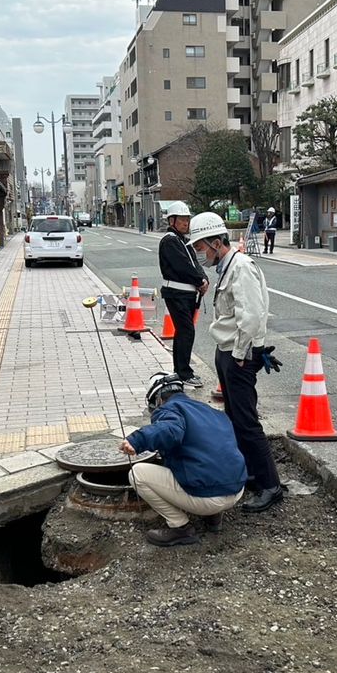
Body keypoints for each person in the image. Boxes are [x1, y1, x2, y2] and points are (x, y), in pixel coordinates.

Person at [186, 211, 284, 513]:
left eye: (202, 247)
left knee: (246, 421)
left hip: (237, 355)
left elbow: (252, 316)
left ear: (217, 242)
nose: (201, 253)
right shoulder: (226, 268)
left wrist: (242, 355)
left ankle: (270, 485)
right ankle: (252, 474)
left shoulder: (241, 267)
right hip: (227, 350)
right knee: (235, 418)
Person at [121, 373, 247, 547]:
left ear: (157, 399)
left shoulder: (170, 409)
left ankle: (180, 528)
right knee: (203, 459)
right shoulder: (211, 412)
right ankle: (213, 518)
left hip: (208, 498)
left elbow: (170, 430)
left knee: (137, 473)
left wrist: (137, 440)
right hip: (236, 489)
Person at [158, 201, 209, 388]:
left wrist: (204, 279)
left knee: (184, 332)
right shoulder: (170, 240)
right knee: (186, 331)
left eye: (187, 219)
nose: (185, 223)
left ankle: (181, 370)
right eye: (182, 219)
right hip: (176, 292)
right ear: (172, 220)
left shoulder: (182, 241)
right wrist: (200, 281)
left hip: (186, 294)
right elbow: (182, 266)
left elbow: (195, 263)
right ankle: (183, 373)